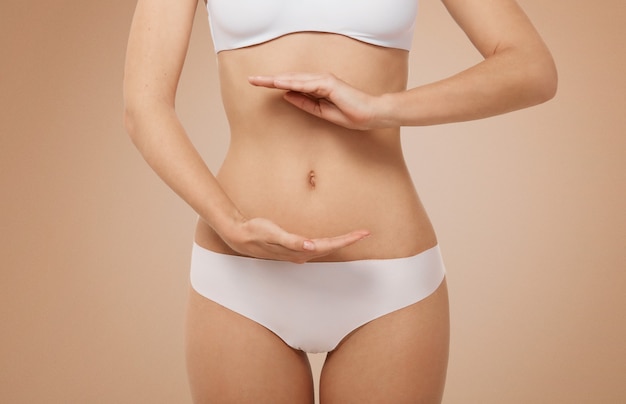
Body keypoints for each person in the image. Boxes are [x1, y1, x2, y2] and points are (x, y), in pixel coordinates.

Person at [123, 0, 557, 402]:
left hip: (390, 282)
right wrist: (229, 222)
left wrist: (381, 108)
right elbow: (145, 106)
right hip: (240, 275)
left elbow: (531, 67)